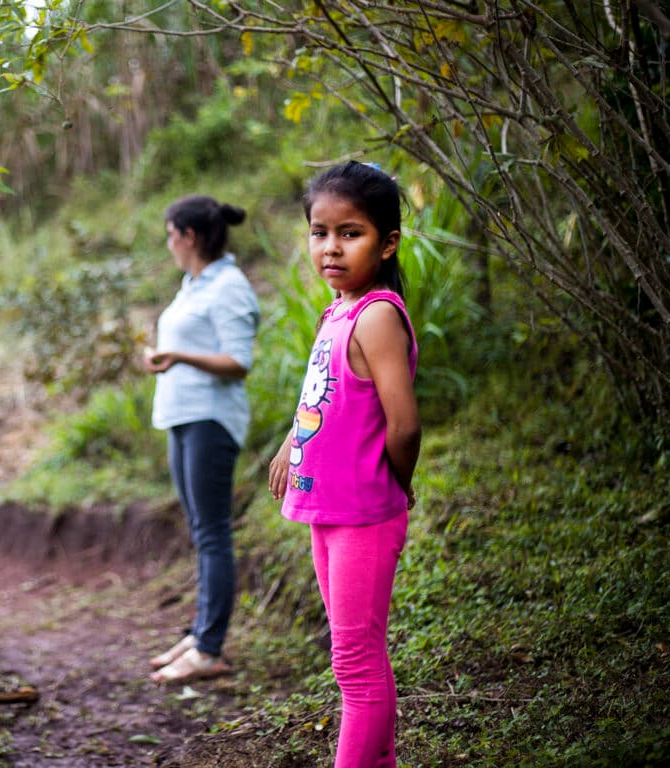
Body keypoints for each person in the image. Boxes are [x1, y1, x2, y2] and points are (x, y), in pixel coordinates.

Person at [268, 161, 421, 768]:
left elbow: (404, 423)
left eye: (349, 233)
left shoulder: (377, 314)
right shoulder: (338, 309)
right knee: (358, 657)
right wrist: (288, 445)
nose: (331, 247)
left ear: (386, 244)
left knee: (354, 666)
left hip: (363, 512)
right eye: (319, 231)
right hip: (328, 510)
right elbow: (321, 396)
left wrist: (397, 485)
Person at [143, 194, 260, 684]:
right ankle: (199, 634)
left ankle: (210, 649)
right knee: (201, 529)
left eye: (171, 235)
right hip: (183, 415)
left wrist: (179, 357)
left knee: (213, 532)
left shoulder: (229, 286)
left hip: (212, 418)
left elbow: (239, 362)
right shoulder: (193, 285)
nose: (168, 245)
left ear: (189, 237)